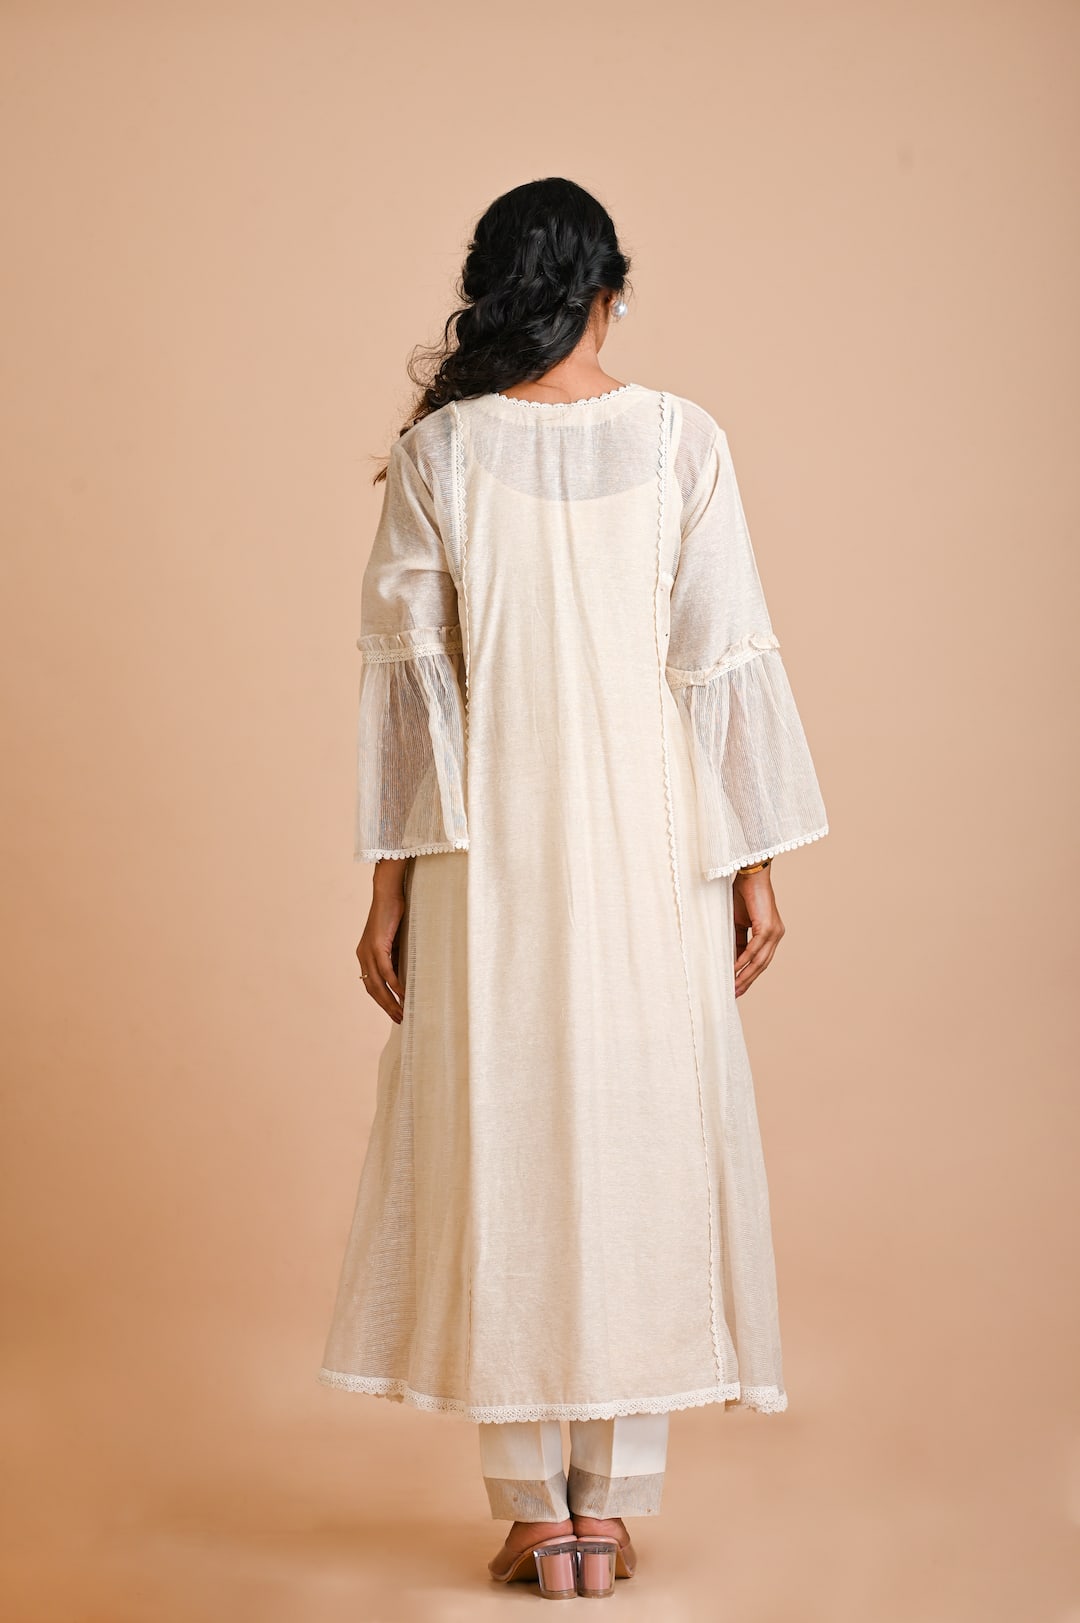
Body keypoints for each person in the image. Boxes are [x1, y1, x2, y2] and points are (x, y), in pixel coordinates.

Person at [317, 176, 829, 1597]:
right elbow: (722, 657)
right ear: (610, 288)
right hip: (651, 847)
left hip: (484, 853)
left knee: (506, 1143)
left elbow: (415, 686)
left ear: (493, 292)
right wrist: (752, 863)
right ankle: (611, 1508)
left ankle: (534, 1511)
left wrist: (389, 888)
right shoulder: (680, 440)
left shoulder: (440, 453)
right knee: (641, 1137)